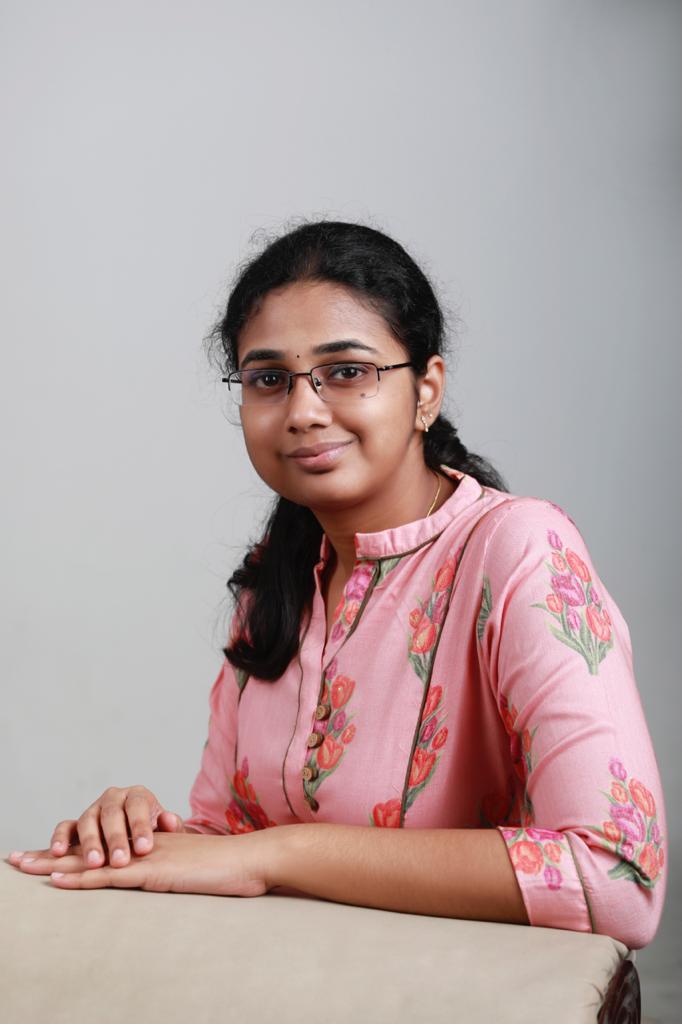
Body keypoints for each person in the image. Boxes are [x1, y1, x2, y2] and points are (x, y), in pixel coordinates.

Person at [8, 220, 666, 949]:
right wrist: (138, 831)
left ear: (426, 390)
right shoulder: (276, 577)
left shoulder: (518, 551)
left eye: (347, 371)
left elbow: (616, 878)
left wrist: (281, 853)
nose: (303, 412)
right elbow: (231, 846)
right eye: (269, 380)